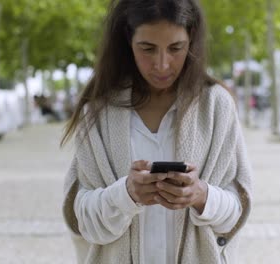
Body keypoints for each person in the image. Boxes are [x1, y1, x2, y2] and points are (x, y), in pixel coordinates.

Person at [61, 1, 252, 263]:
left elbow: (236, 214)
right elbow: (82, 221)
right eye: (147, 49)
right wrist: (126, 194)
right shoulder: (98, 110)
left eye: (176, 48)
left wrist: (200, 195)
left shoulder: (217, 105)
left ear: (191, 40)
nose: (162, 65)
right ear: (129, 41)